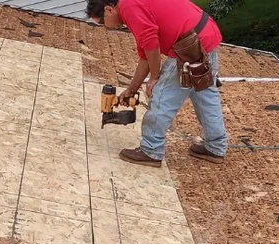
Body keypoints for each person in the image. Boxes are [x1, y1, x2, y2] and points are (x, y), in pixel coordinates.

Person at [87, 0, 228, 167]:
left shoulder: (129, 7)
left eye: (102, 22)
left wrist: (154, 78)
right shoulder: (133, 5)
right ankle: (215, 147)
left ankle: (151, 150)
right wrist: (131, 89)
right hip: (205, 33)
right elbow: (146, 56)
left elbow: (152, 47)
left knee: (162, 95)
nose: (105, 27)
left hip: (188, 42)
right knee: (204, 93)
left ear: (108, 10)